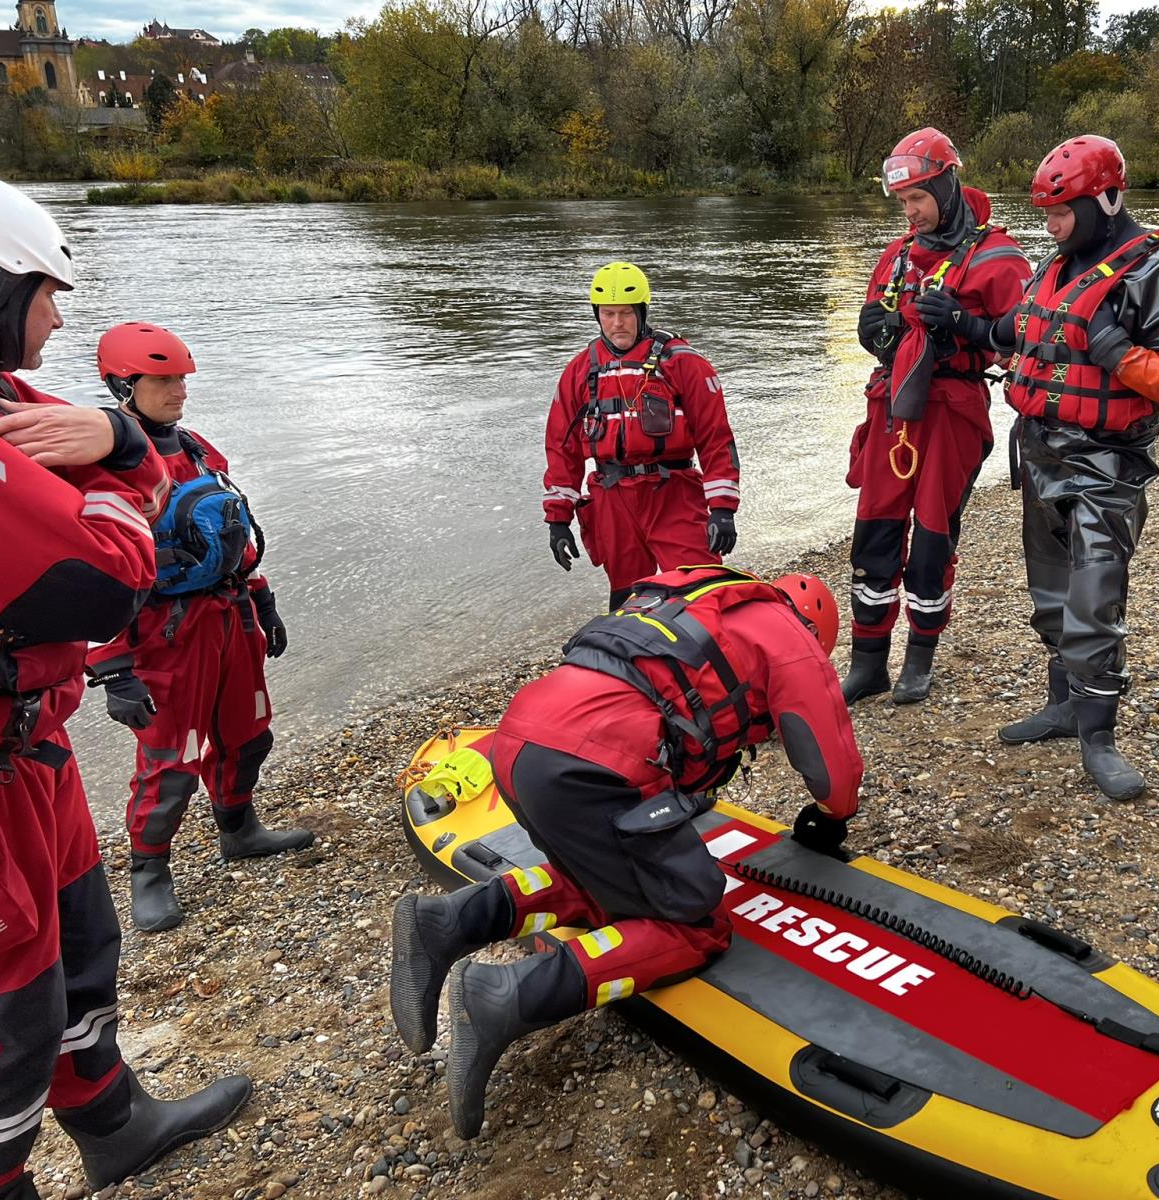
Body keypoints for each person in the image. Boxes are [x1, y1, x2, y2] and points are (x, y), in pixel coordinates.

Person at [0, 167, 249, 1200]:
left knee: (79, 949)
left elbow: (138, 469)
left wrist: (115, 441)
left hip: (20, 746)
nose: (57, 313)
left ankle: (114, 1124)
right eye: (44, 290)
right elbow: (105, 585)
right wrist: (118, 472)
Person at [389, 567, 860, 1138]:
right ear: (815, 629)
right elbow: (830, 761)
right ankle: (503, 998)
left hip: (518, 743)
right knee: (695, 922)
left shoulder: (691, 599)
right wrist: (832, 816)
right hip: (594, 765)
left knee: (598, 882)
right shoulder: (791, 639)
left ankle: (447, 920)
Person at [992, 136, 1159, 801]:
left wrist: (1117, 350)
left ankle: (1099, 736)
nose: (1052, 225)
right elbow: (1025, 331)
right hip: (1041, 450)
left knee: (1095, 598)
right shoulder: (1058, 263)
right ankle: (1064, 704)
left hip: (1108, 464)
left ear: (1105, 199)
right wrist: (961, 322)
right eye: (1047, 213)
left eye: (1062, 211)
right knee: (1051, 593)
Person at [86, 322, 313, 933]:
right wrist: (111, 669)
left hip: (228, 616)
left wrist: (262, 599)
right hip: (165, 633)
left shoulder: (197, 449)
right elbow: (93, 568)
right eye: (163, 379)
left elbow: (230, 531)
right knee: (170, 758)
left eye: (182, 377)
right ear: (122, 385)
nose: (179, 388)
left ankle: (239, 829)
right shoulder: (105, 463)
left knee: (248, 732)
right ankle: (149, 871)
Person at [844, 127, 1032, 705]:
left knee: (931, 535)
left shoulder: (999, 258)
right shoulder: (900, 254)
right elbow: (874, 317)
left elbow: (1028, 340)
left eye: (919, 199)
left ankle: (919, 658)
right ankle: (868, 660)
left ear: (948, 185)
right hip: (893, 406)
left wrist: (965, 328)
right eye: (904, 202)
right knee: (875, 528)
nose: (912, 212)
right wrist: (877, 330)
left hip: (952, 409)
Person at [543, 262, 742, 610]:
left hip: (672, 493)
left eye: (625, 313)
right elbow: (562, 448)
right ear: (596, 315)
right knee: (626, 600)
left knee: (702, 591)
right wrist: (559, 518)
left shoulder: (683, 363)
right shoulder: (580, 371)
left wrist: (722, 509)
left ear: (642, 311)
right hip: (612, 498)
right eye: (608, 314)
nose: (617, 323)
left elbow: (716, 438)